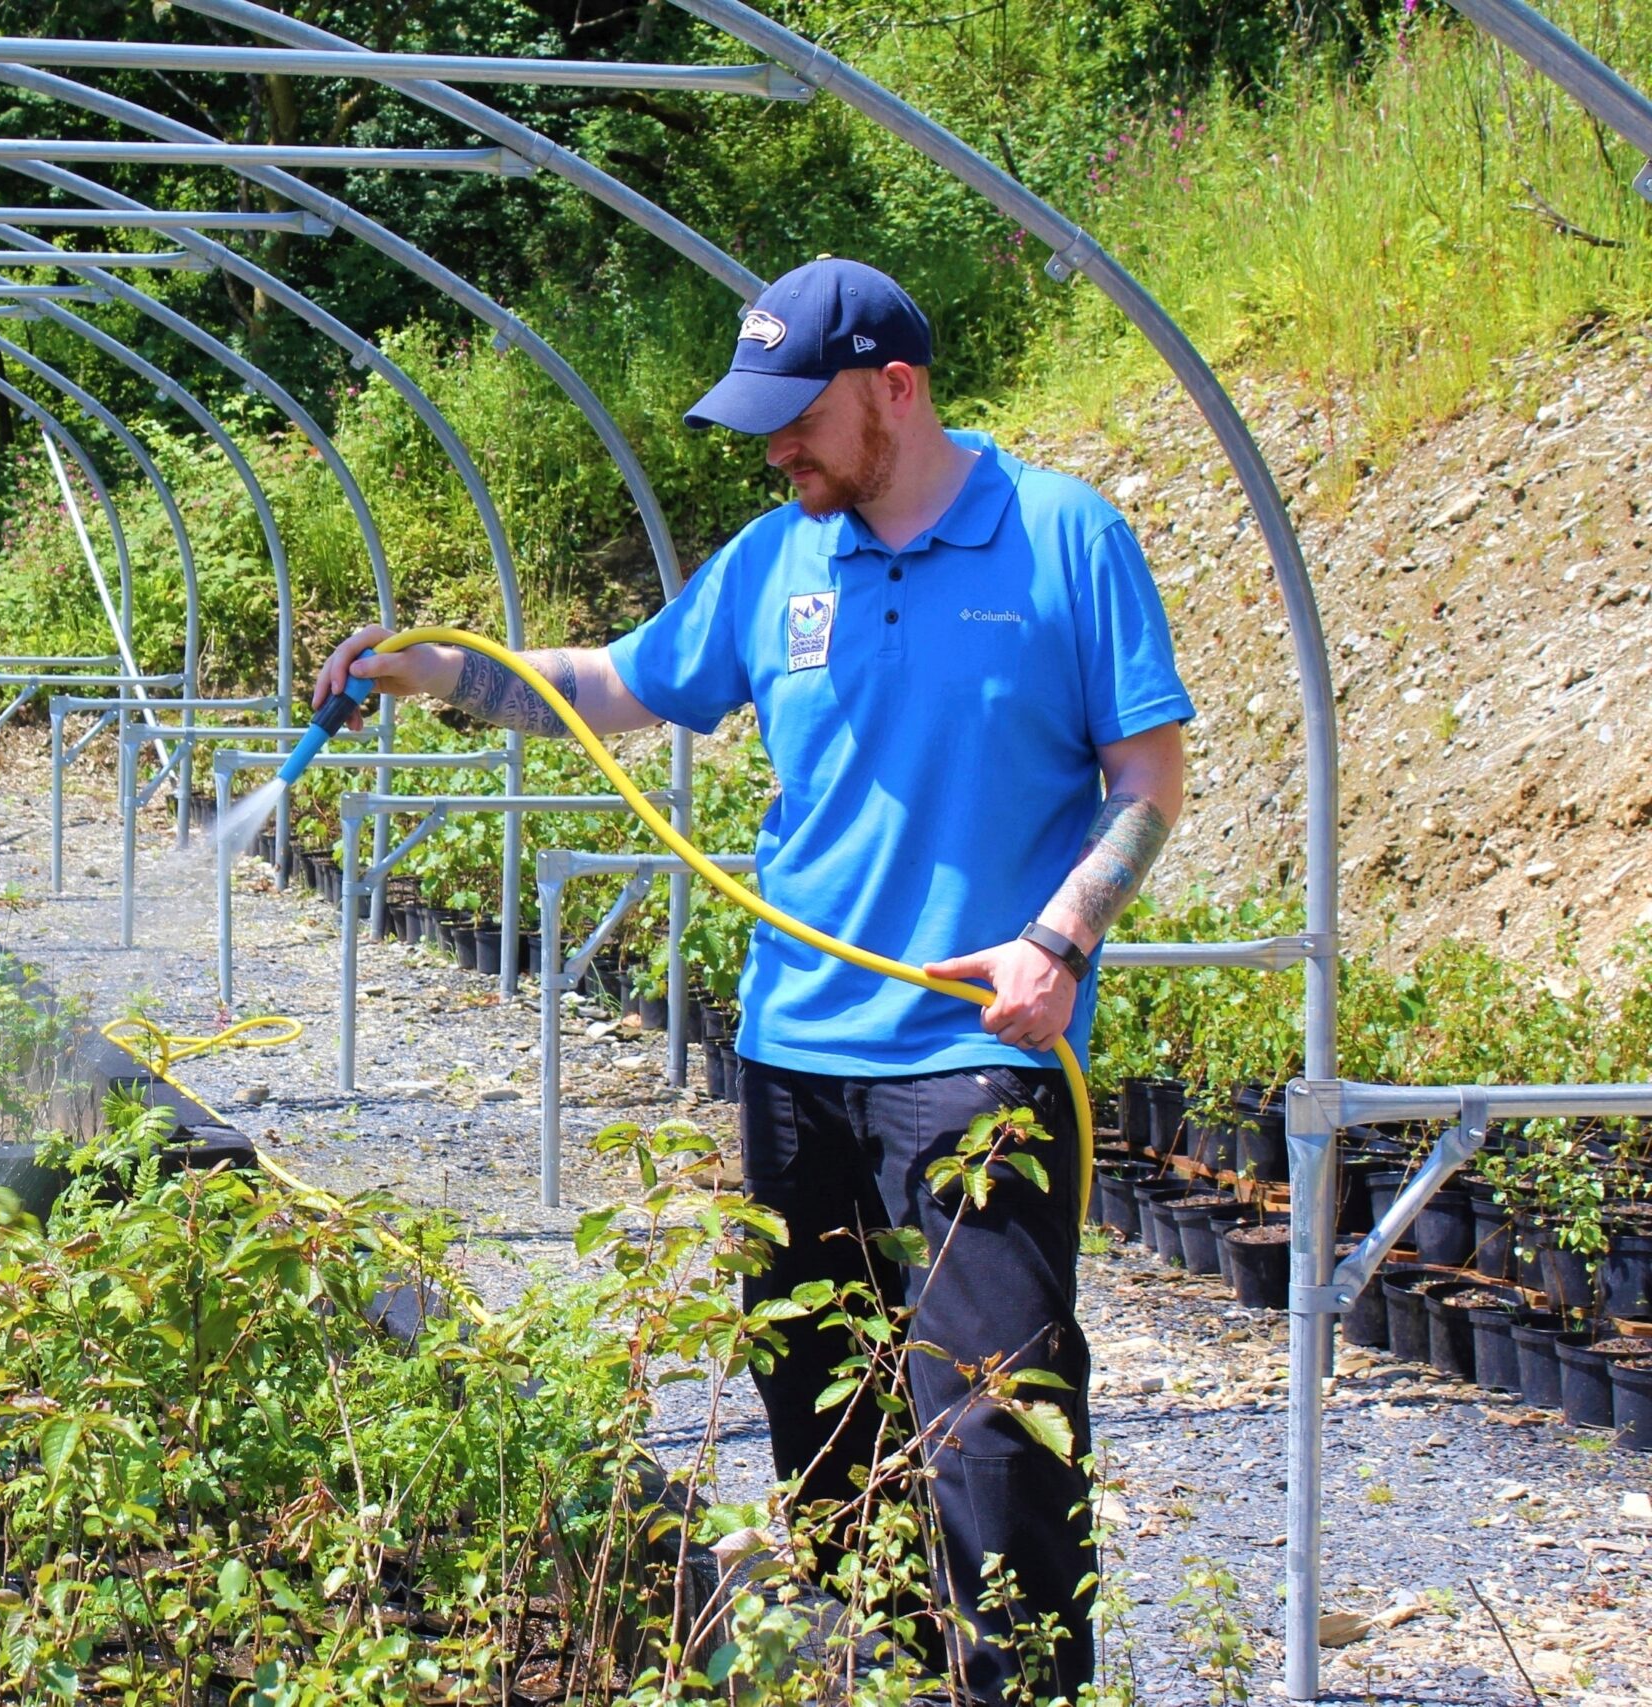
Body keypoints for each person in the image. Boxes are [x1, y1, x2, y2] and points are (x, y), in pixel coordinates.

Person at [308, 257, 1191, 1699]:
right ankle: (868, 1677)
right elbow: (618, 687)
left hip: (976, 1055)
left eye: (798, 417)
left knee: (993, 1421)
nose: (775, 447)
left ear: (892, 386)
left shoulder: (1062, 539)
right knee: (821, 1423)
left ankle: (1018, 1686)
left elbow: (1146, 775)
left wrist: (1061, 938)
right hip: (791, 1058)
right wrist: (433, 674)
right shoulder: (780, 560)